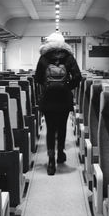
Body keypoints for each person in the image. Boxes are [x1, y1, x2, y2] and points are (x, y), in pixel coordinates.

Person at [35, 32, 81, 175]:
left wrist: (48, 86)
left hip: (48, 99)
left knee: (50, 129)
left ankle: (50, 161)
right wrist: (67, 87)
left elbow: (37, 78)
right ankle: (60, 153)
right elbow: (78, 77)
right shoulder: (69, 57)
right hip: (64, 99)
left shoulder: (43, 57)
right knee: (61, 127)